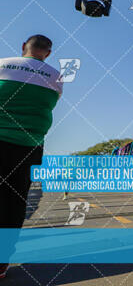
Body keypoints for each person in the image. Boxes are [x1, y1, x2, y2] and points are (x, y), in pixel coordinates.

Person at [0, 35, 63, 279]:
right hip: (27, 146)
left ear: (22, 48)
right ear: (47, 53)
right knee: (14, 204)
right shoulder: (56, 77)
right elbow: (49, 104)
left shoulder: (3, 63)